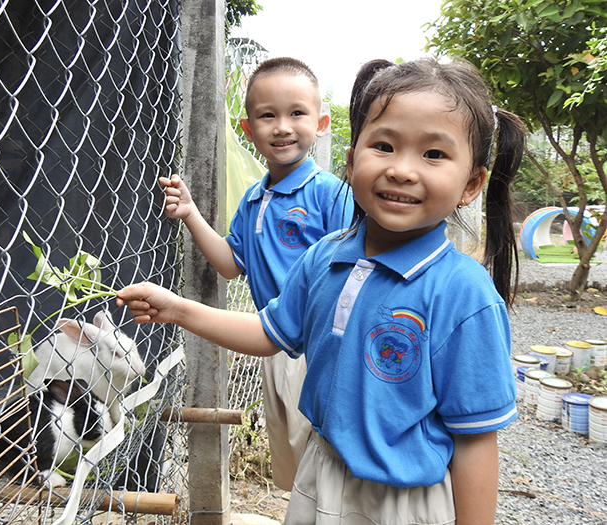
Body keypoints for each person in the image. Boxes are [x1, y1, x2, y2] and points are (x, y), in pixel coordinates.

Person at [118, 57, 525, 524]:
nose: (402, 170)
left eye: (434, 154)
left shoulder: (463, 294)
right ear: (352, 162)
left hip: (402, 501)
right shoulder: (326, 255)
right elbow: (269, 333)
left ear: (472, 183)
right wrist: (177, 309)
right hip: (321, 472)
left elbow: (475, 441)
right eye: (385, 145)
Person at [157, 57, 354, 490]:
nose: (283, 126)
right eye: (268, 116)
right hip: (272, 342)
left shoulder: (331, 194)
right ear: (249, 130)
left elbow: (352, 270)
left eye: (297, 113)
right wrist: (190, 212)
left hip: (318, 344)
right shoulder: (252, 199)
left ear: (320, 123)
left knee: (325, 451)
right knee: (290, 450)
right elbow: (229, 264)